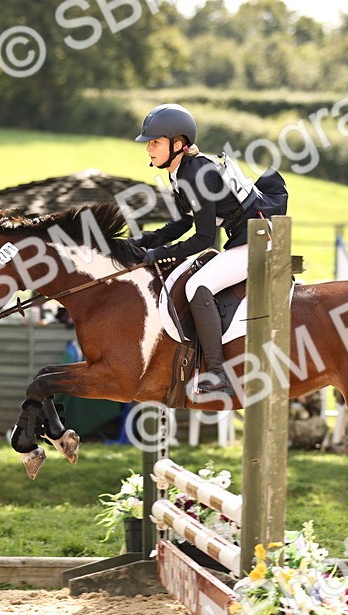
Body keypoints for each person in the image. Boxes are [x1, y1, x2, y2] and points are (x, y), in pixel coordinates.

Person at [130, 103, 260, 398]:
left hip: (256, 240)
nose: (149, 149)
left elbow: (202, 238)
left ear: (178, 144)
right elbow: (182, 223)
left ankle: (217, 372)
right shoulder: (181, 173)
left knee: (198, 285)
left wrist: (160, 254)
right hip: (242, 238)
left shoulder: (195, 174)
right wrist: (144, 243)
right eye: (149, 143)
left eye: (155, 142)